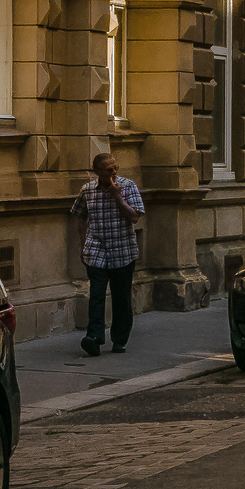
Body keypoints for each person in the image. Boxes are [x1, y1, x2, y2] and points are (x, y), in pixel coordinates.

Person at [70, 152, 145, 357]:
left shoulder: (128, 186)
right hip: (97, 249)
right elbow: (82, 217)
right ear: (97, 172)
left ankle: (120, 338)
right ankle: (94, 337)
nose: (113, 172)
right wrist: (84, 244)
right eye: (108, 169)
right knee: (96, 294)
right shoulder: (87, 190)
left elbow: (135, 217)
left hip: (122, 250)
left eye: (115, 168)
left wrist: (117, 197)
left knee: (121, 297)